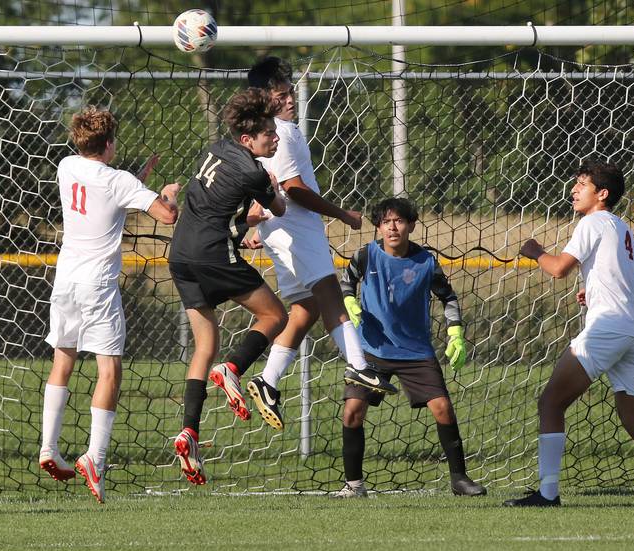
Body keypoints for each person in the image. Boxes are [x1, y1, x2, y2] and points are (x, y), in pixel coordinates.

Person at [504, 159, 634, 507]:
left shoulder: (591, 223)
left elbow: (558, 269)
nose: (574, 189)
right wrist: (601, 288)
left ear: (601, 194)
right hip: (633, 331)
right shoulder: (623, 228)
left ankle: (547, 493)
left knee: (550, 402)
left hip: (605, 329)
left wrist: (535, 251)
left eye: (582, 183)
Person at [243, 56, 398, 432]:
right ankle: (360, 368)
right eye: (282, 94)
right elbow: (294, 189)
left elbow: (273, 184)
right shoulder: (285, 132)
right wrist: (341, 214)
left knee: (307, 307)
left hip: (276, 230)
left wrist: (253, 217)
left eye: (291, 93)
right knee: (330, 295)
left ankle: (268, 379)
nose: (291, 100)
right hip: (296, 228)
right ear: (265, 97)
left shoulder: (263, 134)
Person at [39, 106, 179, 504]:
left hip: (65, 278)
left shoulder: (67, 166)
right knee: (109, 370)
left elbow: (111, 198)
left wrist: (141, 184)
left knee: (62, 360)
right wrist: (165, 194)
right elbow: (166, 215)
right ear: (111, 143)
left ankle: (48, 447)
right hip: (98, 285)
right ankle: (95, 459)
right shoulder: (120, 180)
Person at [168, 87, 289, 485]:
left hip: (181, 255)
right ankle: (233, 369)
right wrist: (272, 186)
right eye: (268, 133)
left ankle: (189, 431)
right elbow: (279, 208)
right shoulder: (254, 171)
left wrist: (244, 226)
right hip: (211, 254)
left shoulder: (215, 148)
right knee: (275, 315)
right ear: (246, 139)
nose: (274, 137)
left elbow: (218, 208)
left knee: (204, 345)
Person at [333, 197, 487, 498]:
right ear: (378, 226)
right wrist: (350, 300)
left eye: (400, 221)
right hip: (372, 349)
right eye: (386, 221)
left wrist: (455, 332)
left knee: (442, 408)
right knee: (352, 411)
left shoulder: (426, 261)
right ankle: (353, 485)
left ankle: (459, 479)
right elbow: (345, 282)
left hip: (415, 351)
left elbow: (448, 297)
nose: (393, 227)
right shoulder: (366, 254)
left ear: (412, 225)